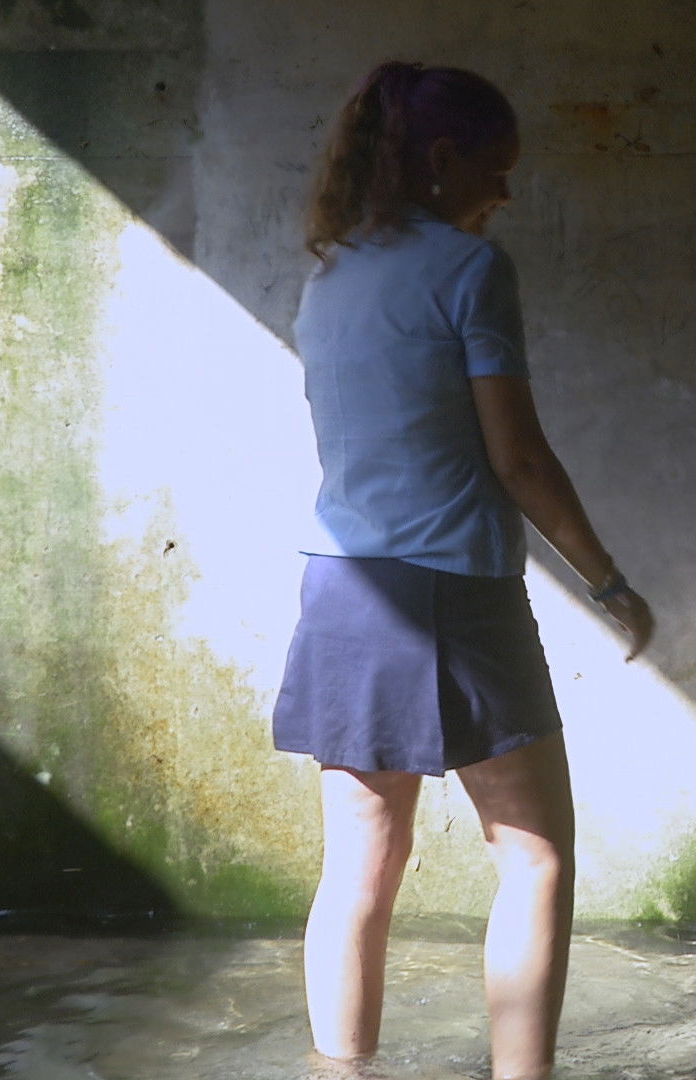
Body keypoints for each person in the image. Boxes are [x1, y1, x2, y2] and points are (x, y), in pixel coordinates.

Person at [270, 60, 654, 1080]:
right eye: (498, 166)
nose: (508, 190)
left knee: (359, 869)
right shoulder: (471, 269)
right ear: (442, 159)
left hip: (340, 589)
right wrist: (607, 582)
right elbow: (517, 458)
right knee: (534, 857)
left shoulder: (329, 274)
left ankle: (340, 1073)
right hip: (451, 589)